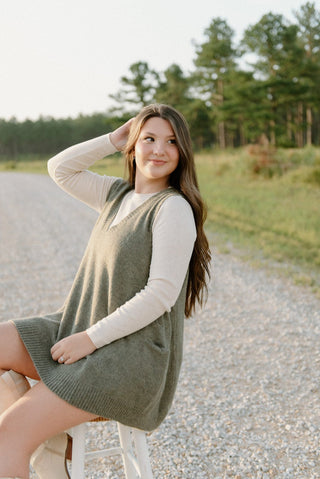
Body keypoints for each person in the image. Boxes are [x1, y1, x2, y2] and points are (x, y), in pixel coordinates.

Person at [0, 103, 211, 479]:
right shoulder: (116, 194)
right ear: (133, 145)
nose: (159, 150)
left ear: (183, 153)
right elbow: (60, 169)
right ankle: (50, 444)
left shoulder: (173, 209)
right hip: (84, 333)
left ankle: (32, 440)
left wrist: (89, 339)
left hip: (129, 361)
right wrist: (113, 139)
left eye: (171, 142)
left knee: (7, 437)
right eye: (149, 139)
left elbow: (160, 296)